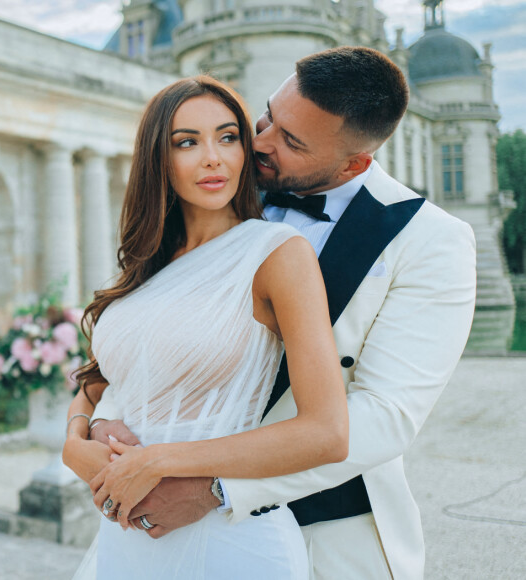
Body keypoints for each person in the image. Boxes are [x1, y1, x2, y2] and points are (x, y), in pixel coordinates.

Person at [89, 47, 477, 580]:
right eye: (268, 115)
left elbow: (386, 415)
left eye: (292, 141)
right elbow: (146, 326)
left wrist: (219, 489)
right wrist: (102, 420)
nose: (260, 142)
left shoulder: (434, 242)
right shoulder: (212, 192)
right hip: (161, 517)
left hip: (329, 529)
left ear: (354, 164)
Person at [63, 75, 350, 579]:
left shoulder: (277, 253)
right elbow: (100, 382)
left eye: (227, 136)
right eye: (187, 142)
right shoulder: (146, 264)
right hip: (125, 539)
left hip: (230, 540)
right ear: (159, 159)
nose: (213, 157)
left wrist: (157, 462)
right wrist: (73, 442)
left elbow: (326, 432)